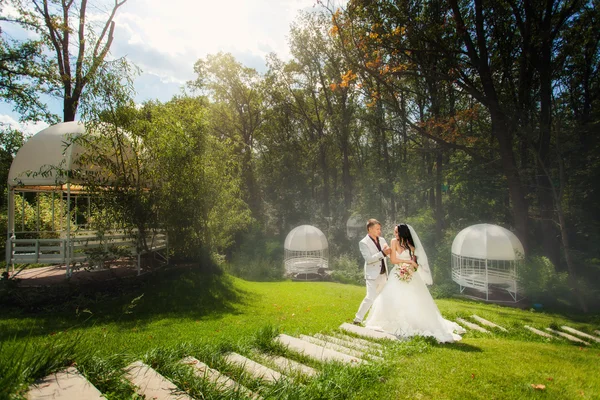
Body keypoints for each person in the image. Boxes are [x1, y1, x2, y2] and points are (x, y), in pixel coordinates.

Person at [364, 223, 465, 342]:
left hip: (411, 274)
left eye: (397, 232)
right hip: (397, 273)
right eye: (394, 232)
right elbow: (393, 260)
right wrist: (407, 263)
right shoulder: (394, 242)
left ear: (403, 233)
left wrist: (411, 266)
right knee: (392, 298)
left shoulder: (412, 246)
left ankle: (414, 322)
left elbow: (416, 264)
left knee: (414, 299)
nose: (394, 234)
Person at [353, 219, 392, 325]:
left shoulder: (382, 240)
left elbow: (388, 254)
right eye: (377, 229)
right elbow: (369, 259)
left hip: (383, 274)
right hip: (372, 274)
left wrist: (392, 251)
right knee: (370, 297)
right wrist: (382, 253)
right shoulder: (363, 242)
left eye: (380, 229)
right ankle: (358, 319)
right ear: (370, 229)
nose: (379, 231)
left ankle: (377, 320)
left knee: (382, 298)